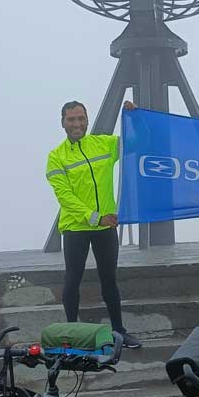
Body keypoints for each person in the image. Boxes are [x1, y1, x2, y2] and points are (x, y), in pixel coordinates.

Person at [45, 99, 142, 348]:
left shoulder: (103, 144)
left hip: (105, 227)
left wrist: (135, 117)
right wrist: (95, 217)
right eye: (71, 119)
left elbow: (137, 141)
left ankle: (119, 332)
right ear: (63, 123)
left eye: (81, 118)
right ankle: (72, 334)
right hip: (76, 227)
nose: (76, 123)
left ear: (87, 120)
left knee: (109, 278)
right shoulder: (56, 157)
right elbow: (65, 197)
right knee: (73, 279)